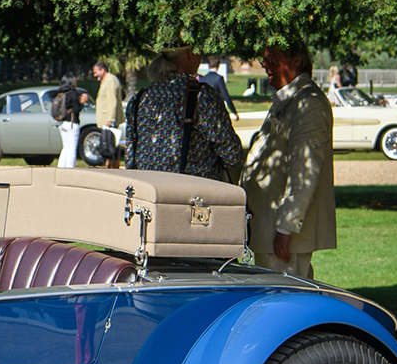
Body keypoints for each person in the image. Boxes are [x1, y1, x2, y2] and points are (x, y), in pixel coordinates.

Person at [241, 43, 334, 279]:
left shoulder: (308, 102)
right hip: (268, 231)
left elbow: (305, 169)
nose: (264, 64)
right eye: (264, 58)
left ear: (297, 61)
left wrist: (286, 228)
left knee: (281, 302)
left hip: (282, 239)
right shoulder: (287, 99)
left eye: (273, 57)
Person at [123, 45, 245, 182]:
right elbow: (233, 156)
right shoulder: (202, 97)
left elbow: (130, 157)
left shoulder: (139, 99)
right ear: (191, 54)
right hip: (193, 196)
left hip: (148, 194)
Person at [50, 74, 88, 168]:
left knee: (65, 147)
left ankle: (61, 168)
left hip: (61, 123)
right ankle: (70, 169)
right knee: (72, 148)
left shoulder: (61, 93)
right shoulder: (73, 93)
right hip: (71, 123)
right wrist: (82, 102)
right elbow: (76, 109)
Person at [91, 61, 124, 164]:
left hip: (109, 121)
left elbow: (112, 101)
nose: (94, 75)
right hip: (106, 121)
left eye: (96, 72)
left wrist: (110, 119)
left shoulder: (110, 81)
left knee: (110, 146)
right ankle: (110, 164)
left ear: (102, 70)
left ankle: (112, 166)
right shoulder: (106, 81)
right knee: (108, 145)